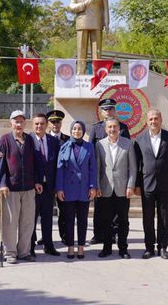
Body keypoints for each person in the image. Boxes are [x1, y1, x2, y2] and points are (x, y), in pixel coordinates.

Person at [0, 110, 43, 264]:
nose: (18, 124)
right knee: (10, 222)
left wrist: (37, 181)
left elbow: (36, 162)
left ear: (25, 123)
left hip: (29, 187)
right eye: (16, 121)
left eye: (21, 121)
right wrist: (2, 184)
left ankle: (24, 251)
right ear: (11, 123)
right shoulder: (4, 139)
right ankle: (10, 252)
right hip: (11, 188)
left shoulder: (30, 139)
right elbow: (1, 163)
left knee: (28, 221)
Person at [134, 108, 168, 260]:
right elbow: (137, 164)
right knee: (148, 218)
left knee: (164, 217)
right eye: (151, 119)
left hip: (166, 185)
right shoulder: (140, 139)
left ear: (161, 120)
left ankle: (162, 247)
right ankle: (149, 247)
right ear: (147, 122)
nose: (153, 121)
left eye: (156, 119)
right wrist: (137, 185)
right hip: (147, 184)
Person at [88, 98, 129, 245]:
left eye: (111, 109)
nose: (108, 111)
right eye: (105, 109)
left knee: (118, 212)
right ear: (101, 111)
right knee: (100, 208)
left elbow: (128, 150)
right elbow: (91, 151)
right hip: (102, 176)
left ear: (114, 110)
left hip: (119, 177)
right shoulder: (96, 128)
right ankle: (98, 234)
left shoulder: (123, 127)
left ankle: (115, 234)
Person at [56, 121, 98, 259]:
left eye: (79, 129)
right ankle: (70, 247)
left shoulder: (89, 147)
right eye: (74, 128)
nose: (77, 131)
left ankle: (80, 247)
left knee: (82, 220)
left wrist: (93, 186)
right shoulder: (64, 147)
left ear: (83, 131)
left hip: (84, 189)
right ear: (71, 130)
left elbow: (93, 168)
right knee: (68, 220)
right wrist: (59, 188)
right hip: (68, 189)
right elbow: (60, 170)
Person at [96, 117, 136, 259]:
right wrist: (97, 186)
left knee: (123, 221)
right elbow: (98, 168)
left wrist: (130, 185)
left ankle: (123, 248)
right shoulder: (99, 144)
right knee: (106, 220)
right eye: (109, 127)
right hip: (105, 188)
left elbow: (132, 167)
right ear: (106, 129)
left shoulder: (128, 144)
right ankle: (107, 248)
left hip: (122, 189)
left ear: (119, 129)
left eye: (115, 127)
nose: (112, 129)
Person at [68, 0, 110, 74]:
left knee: (97, 51)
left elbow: (105, 7)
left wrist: (107, 22)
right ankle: (80, 72)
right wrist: (83, 4)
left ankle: (97, 73)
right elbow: (71, 7)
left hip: (97, 22)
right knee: (81, 50)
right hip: (82, 22)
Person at [30, 113, 61, 257]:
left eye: (42, 123)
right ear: (33, 125)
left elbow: (57, 164)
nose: (39, 126)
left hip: (49, 187)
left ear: (46, 125)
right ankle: (29, 247)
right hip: (33, 187)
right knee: (31, 218)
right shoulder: (28, 140)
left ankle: (49, 245)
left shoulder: (53, 141)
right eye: (36, 124)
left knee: (48, 217)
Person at [47, 109, 70, 244]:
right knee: (46, 211)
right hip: (47, 181)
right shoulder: (44, 138)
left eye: (58, 121)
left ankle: (65, 236)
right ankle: (46, 237)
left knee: (64, 211)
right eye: (53, 121)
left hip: (63, 182)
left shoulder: (67, 139)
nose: (55, 124)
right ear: (49, 123)